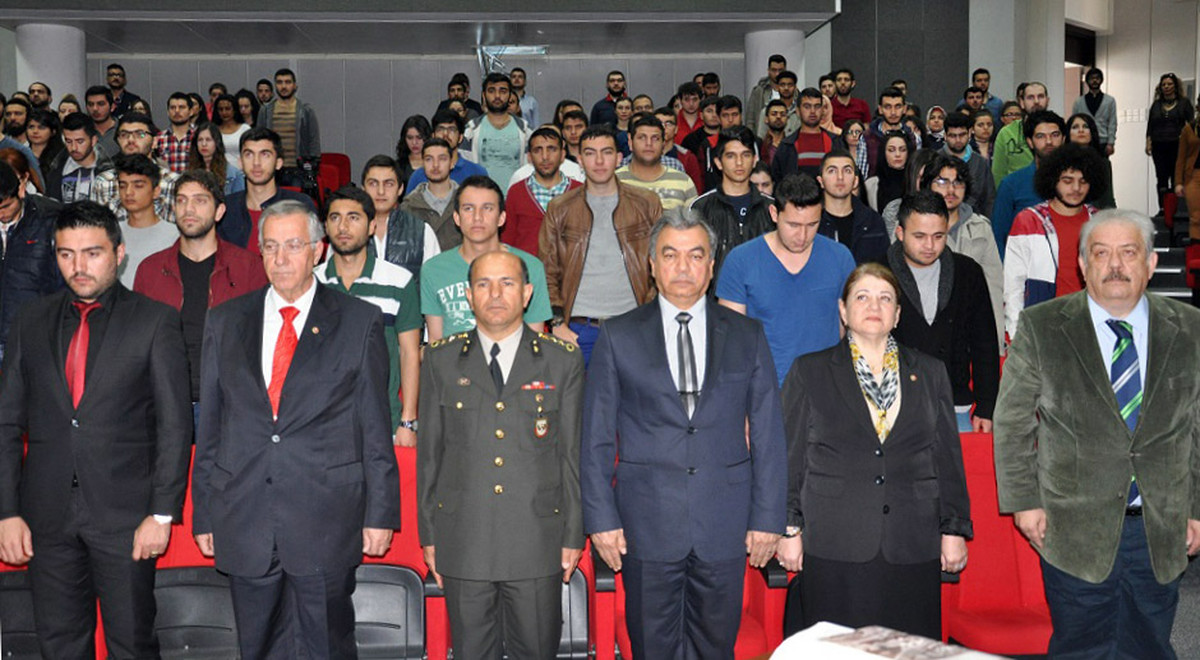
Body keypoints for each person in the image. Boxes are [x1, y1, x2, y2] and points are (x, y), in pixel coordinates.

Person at [191, 198, 401, 658]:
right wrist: (204, 511)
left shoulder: (358, 320)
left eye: (292, 245)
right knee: (258, 646)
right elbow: (212, 427)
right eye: (270, 247)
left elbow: (374, 427)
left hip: (326, 517)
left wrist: (380, 513)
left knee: (325, 645)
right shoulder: (225, 321)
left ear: (317, 251)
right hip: (244, 514)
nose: (280, 258)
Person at [994, 209, 1200, 659]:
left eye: (1128, 253)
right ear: (1082, 265)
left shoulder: (1191, 328)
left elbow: (1198, 426)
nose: (1115, 265)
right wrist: (1023, 502)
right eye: (1101, 254)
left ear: (1150, 263)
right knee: (1079, 647)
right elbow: (1013, 423)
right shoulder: (1042, 326)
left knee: (1150, 645)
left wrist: (1197, 508)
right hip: (1072, 525)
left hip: (1161, 524)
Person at [582, 209, 787, 658]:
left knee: (716, 648)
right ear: (652, 264)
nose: (683, 267)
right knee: (652, 648)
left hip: (725, 522)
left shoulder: (747, 334)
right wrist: (601, 520)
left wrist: (768, 518)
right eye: (670, 254)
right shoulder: (618, 336)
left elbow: (769, 432)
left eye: (695, 256)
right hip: (645, 523)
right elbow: (596, 437)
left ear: (711, 267)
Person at [0, 200, 191, 658]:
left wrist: (161, 514)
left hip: (126, 518)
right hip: (45, 516)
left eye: (92, 253)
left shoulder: (155, 320)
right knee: (60, 645)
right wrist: (7, 511)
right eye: (66, 254)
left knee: (132, 644)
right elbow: (6, 421)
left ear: (119, 254)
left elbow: (174, 424)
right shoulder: (30, 320)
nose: (78, 266)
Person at [778, 261, 971, 639]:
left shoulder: (930, 372)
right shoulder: (810, 370)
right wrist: (789, 529)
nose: (874, 306)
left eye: (885, 298)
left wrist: (954, 529)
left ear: (897, 314)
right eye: (862, 297)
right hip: (835, 540)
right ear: (843, 309)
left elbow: (947, 457)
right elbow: (789, 457)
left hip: (912, 540)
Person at [418, 248, 584, 658]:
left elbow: (571, 456)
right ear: (468, 296)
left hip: (536, 540)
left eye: (507, 283)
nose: (495, 294)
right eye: (483, 284)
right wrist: (430, 535)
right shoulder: (440, 359)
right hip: (464, 540)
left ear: (527, 293)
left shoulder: (561, 361)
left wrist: (572, 534)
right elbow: (430, 456)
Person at [133, 170, 268, 411]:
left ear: (219, 211)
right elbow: (139, 345)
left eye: (200, 200)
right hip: (167, 403)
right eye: (181, 200)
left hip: (229, 403)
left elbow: (262, 338)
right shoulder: (150, 270)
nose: (189, 209)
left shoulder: (249, 268)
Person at [717, 173, 856, 385]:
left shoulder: (840, 258)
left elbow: (848, 329)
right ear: (774, 213)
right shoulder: (741, 261)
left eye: (812, 224)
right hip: (764, 389)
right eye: (793, 225)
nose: (802, 236)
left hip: (825, 388)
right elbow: (732, 339)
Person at [539, 126, 662, 363]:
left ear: (618, 158)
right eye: (590, 153)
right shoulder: (560, 208)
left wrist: (652, 317)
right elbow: (547, 270)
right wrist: (557, 323)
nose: (598, 161)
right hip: (577, 330)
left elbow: (662, 266)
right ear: (579, 160)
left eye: (606, 152)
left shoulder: (646, 204)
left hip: (634, 325)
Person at [315, 186, 422, 447]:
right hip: (321, 422)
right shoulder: (311, 283)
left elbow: (409, 354)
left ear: (372, 226)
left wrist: (408, 421)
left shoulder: (398, 281)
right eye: (335, 217)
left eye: (353, 217)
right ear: (326, 227)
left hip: (383, 420)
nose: (343, 226)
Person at [886, 190, 999, 433]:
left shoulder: (967, 272)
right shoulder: (878, 273)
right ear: (900, 233)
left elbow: (984, 343)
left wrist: (986, 405)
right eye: (919, 236)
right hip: (893, 404)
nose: (929, 246)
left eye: (938, 236)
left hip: (955, 401)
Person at [421, 175, 551, 341]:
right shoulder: (434, 270)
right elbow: (436, 342)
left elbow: (535, 341)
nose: (477, 217)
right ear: (457, 218)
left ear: (501, 218)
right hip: (453, 357)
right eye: (468, 208)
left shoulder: (530, 267)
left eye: (487, 208)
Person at [1004, 142, 1105, 339]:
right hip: (1043, 326)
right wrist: (1017, 334)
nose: (1076, 188)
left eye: (1083, 181)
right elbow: (1013, 285)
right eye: (1067, 181)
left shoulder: (1100, 222)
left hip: (1091, 326)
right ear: (1053, 180)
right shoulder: (1029, 220)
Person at [0, 161, 62, 366]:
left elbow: (64, 287)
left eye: (6, 206)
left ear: (21, 190)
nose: (1, 215)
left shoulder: (50, 220)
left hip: (33, 341)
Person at [687, 126, 772, 276]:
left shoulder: (771, 208)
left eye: (746, 155)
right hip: (716, 289)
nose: (739, 162)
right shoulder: (701, 207)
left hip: (761, 289)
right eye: (731, 156)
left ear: (754, 160)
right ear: (718, 162)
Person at [217, 127, 316, 254]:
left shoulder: (300, 206)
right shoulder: (225, 209)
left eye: (265, 155)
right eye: (249, 154)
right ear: (240, 163)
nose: (256, 162)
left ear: (278, 163)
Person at [992, 110, 1065, 256]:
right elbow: (999, 237)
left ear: (1064, 139)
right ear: (1030, 142)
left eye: (1055, 135)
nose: (1049, 141)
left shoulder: (1078, 183)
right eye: (1040, 136)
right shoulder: (1011, 184)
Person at [90, 112, 182, 224]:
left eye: (140, 134)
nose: (131, 140)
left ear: (154, 142)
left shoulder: (173, 183)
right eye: (124, 135)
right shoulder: (103, 182)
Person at [503, 127, 583, 255]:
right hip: (526, 265)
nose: (545, 157)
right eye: (538, 150)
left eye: (552, 149)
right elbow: (507, 240)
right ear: (529, 157)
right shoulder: (516, 192)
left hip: (569, 265)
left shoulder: (579, 191)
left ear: (562, 155)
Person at [360, 154, 440, 280]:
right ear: (363, 189)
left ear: (400, 189)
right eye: (373, 183)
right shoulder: (347, 232)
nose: (381, 191)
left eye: (389, 184)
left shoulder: (422, 232)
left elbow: (434, 283)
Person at [113, 154, 178, 288]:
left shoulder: (175, 236)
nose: (128, 192)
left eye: (138, 186)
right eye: (123, 186)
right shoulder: (111, 234)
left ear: (156, 191)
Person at [460, 73, 533, 189]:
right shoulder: (470, 131)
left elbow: (529, 170)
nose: (497, 96)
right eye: (491, 91)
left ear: (510, 95)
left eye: (503, 91)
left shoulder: (525, 130)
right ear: (484, 95)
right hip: (481, 195)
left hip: (514, 196)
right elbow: (464, 169)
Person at [817, 150, 889, 264]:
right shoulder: (812, 223)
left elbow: (883, 269)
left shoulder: (873, 222)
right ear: (821, 181)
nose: (840, 177)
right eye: (832, 171)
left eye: (847, 171)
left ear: (855, 181)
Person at [615, 114, 697, 211]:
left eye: (655, 138)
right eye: (642, 138)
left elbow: (693, 219)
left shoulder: (684, 182)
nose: (649, 144)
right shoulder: (614, 182)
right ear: (630, 142)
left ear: (663, 143)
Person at [255, 68, 321, 173]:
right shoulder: (265, 111)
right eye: (279, 82)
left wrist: (313, 163)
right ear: (275, 86)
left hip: (299, 169)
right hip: (272, 168)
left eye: (288, 82)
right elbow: (259, 139)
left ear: (295, 86)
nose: (284, 86)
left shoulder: (305, 111)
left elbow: (314, 140)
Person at [407, 109, 489, 189]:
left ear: (460, 137)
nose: (445, 134)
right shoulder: (419, 175)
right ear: (433, 136)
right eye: (440, 129)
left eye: (451, 130)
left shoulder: (477, 172)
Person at [1147, 73, 1194, 216]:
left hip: (1177, 146)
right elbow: (1150, 126)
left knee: (1176, 178)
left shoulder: (1184, 103)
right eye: (1163, 85)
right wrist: (1148, 142)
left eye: (1169, 84)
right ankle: (1162, 209)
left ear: (1175, 86)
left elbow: (1191, 124)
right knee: (1161, 178)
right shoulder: (1156, 105)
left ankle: (1175, 209)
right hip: (1158, 145)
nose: (1166, 87)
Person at [44, 112, 114, 203]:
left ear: (93, 140)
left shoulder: (107, 170)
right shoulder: (56, 169)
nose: (74, 147)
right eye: (68, 141)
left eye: (80, 141)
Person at [770, 87, 837, 180]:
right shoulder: (786, 145)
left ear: (822, 110)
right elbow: (777, 179)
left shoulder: (836, 142)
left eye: (817, 106)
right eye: (807, 106)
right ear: (797, 111)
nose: (813, 111)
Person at [992, 82, 1049, 185]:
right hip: (1016, 191)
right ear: (1022, 103)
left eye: (1040, 96)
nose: (1036, 101)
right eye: (1030, 97)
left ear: (1047, 100)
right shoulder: (1006, 133)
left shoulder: (1058, 130)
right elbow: (998, 173)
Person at [941, 112, 995, 217]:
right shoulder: (935, 160)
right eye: (953, 136)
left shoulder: (980, 163)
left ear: (970, 133)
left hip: (975, 221)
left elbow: (989, 199)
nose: (958, 140)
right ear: (945, 136)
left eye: (962, 135)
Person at [1066, 112, 1117, 209]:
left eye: (1085, 127)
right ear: (1068, 133)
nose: (1081, 130)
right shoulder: (1061, 162)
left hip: (1096, 213)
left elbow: (1108, 199)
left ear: (1092, 132)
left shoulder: (1103, 163)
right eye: (1075, 127)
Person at [1174, 96, 1200, 276]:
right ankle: (1196, 258)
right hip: (1194, 175)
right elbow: (1181, 158)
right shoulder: (1189, 129)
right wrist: (1178, 182)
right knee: (1196, 217)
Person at [1071, 68, 1117, 156]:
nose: (1095, 81)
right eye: (1092, 78)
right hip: (1084, 141)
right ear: (1087, 81)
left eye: (1097, 78)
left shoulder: (1109, 101)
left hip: (1102, 140)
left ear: (1101, 80)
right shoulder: (1079, 102)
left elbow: (1112, 123)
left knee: (1102, 163)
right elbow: (1074, 123)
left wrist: (1111, 143)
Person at [865, 131, 911, 213]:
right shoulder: (871, 185)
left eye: (902, 150)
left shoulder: (916, 181)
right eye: (891, 150)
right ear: (883, 153)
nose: (897, 154)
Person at [152, 92, 195, 174]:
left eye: (181, 107)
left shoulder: (198, 136)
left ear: (191, 111)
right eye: (172, 108)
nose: (177, 111)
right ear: (168, 112)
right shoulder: (158, 138)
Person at [746, 53, 788, 135]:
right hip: (762, 136)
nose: (777, 74)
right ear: (768, 71)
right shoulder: (759, 91)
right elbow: (750, 120)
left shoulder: (793, 92)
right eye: (774, 70)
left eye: (780, 70)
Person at [212, 93, 250, 169]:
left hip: (241, 171)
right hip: (218, 170)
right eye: (220, 109)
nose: (224, 112)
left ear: (235, 110)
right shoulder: (213, 130)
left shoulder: (245, 129)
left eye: (228, 108)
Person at [395, 114, 431, 187]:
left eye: (419, 137)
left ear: (427, 137)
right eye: (410, 138)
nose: (414, 142)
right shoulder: (398, 166)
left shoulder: (435, 163)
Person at [84, 86, 119, 158]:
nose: (95, 109)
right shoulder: (83, 131)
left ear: (112, 107)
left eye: (101, 104)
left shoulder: (122, 129)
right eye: (90, 104)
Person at [26, 108, 63, 173]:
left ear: (53, 132)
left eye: (41, 127)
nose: (35, 131)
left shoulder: (60, 157)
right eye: (31, 127)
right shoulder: (20, 154)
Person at [675, 81, 704, 145]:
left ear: (701, 100)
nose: (691, 104)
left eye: (695, 99)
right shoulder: (674, 121)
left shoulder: (706, 120)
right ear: (680, 100)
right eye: (686, 99)